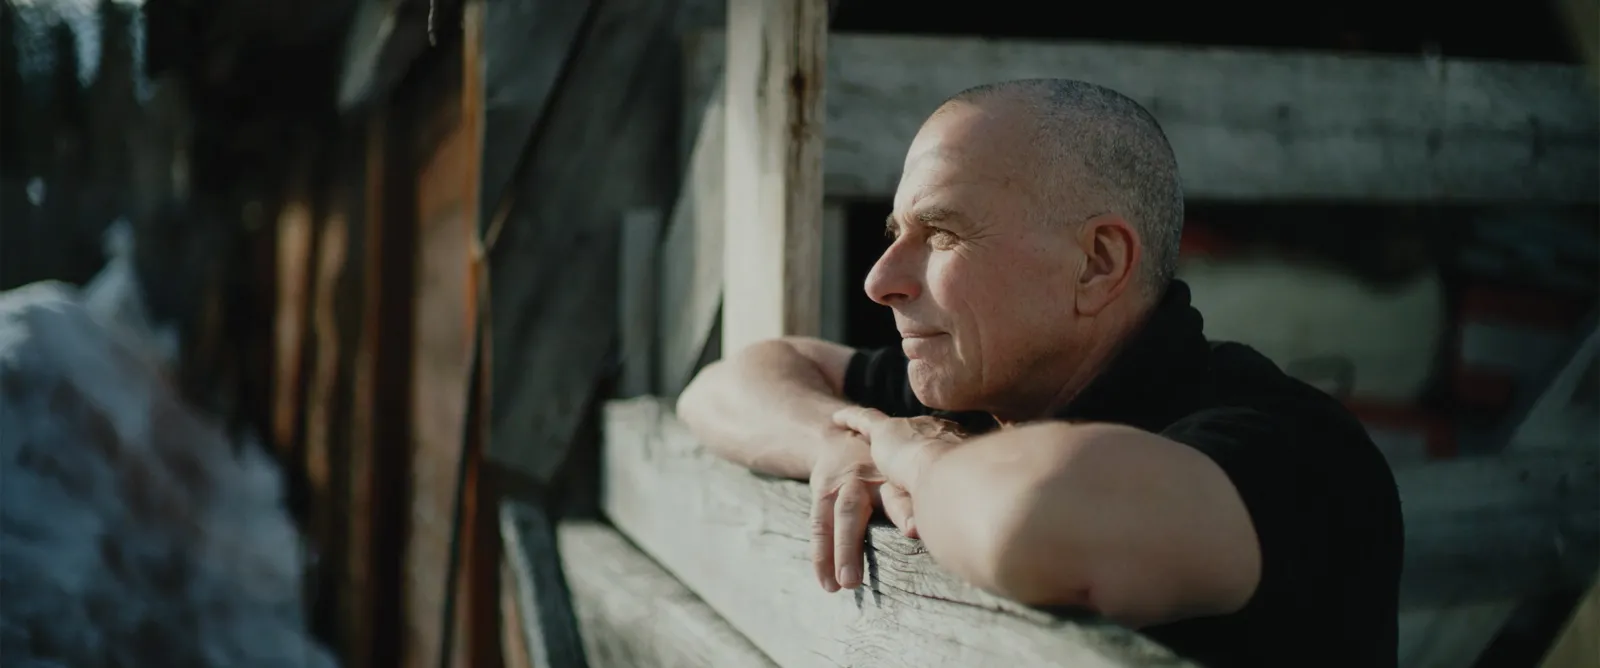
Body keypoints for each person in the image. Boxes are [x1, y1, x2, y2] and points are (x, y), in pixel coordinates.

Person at [676, 78, 1403, 667]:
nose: (879, 280)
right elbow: (728, 386)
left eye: (942, 233)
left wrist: (916, 455)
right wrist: (839, 442)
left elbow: (1033, 522)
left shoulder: (1289, 449)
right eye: (896, 234)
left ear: (1097, 265)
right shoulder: (987, 383)